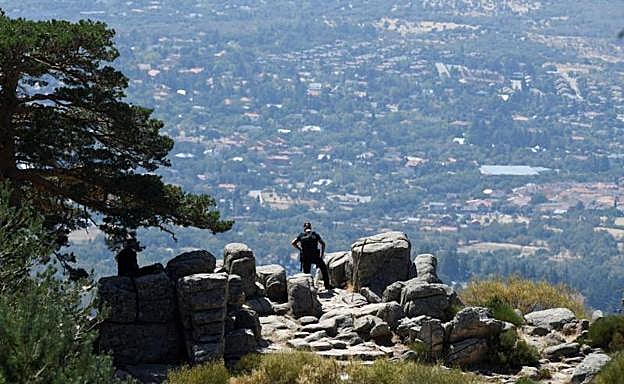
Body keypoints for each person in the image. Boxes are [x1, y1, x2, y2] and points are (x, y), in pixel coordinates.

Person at [291, 222, 332, 290]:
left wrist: (300, 249)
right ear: (310, 227)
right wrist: (321, 255)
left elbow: (293, 243)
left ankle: (308, 288)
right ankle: (327, 286)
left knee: (306, 274)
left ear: (304, 228)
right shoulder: (315, 235)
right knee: (324, 269)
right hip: (315, 256)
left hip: (305, 257)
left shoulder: (301, 235)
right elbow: (323, 244)